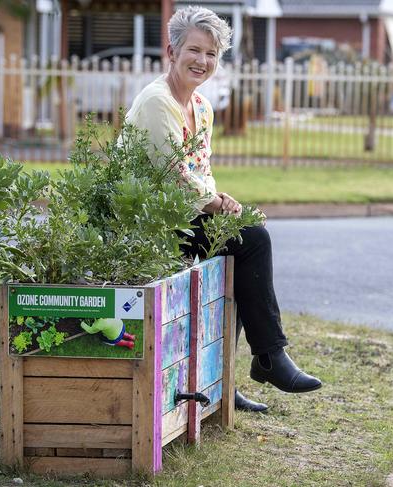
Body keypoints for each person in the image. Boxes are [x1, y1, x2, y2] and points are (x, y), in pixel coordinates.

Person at [125, 6, 322, 412]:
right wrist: (217, 203)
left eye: (212, 54)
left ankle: (230, 378)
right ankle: (269, 357)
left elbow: (199, 170)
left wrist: (222, 201)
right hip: (150, 221)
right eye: (194, 50)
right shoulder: (156, 102)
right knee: (251, 240)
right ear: (172, 51)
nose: (202, 61)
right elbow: (172, 173)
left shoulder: (200, 106)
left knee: (242, 246)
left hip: (181, 213)